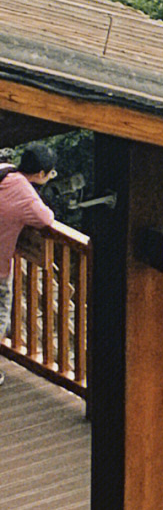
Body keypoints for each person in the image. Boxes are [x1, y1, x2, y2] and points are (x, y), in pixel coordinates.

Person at [0, 143, 57, 387]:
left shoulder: (4, 170)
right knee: (1, 311)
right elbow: (46, 219)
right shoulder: (26, 195)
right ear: (42, 173)